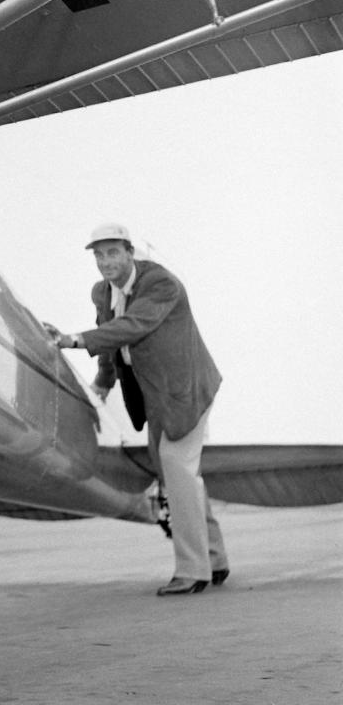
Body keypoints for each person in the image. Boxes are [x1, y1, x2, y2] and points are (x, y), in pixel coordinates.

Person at [44, 223, 229, 596]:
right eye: (98, 255)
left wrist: (73, 340)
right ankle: (215, 558)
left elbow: (133, 326)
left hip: (183, 391)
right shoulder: (103, 292)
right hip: (152, 395)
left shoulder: (160, 283)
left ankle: (194, 571)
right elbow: (112, 340)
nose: (105, 261)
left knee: (177, 471)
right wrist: (103, 382)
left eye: (112, 252)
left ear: (130, 253)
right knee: (176, 472)